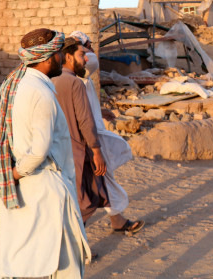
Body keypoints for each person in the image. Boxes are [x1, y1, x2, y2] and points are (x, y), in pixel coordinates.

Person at [0, 28, 90, 278]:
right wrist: (10, 174)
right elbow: (39, 152)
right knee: (65, 261)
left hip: (17, 190)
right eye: (60, 54)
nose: (63, 59)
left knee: (11, 255)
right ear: (49, 58)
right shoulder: (41, 93)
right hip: (45, 190)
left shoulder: (12, 84)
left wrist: (2, 169)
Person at [53, 37, 144, 234]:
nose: (86, 58)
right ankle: (75, 248)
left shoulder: (56, 80)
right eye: (82, 54)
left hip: (64, 148)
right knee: (85, 200)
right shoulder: (74, 82)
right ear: (68, 57)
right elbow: (84, 121)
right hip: (78, 149)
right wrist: (95, 150)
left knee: (88, 192)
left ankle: (114, 222)